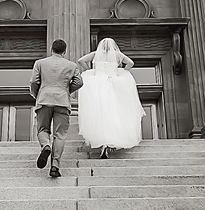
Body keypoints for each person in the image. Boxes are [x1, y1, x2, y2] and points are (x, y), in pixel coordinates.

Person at [77, 37, 145, 159]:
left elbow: (81, 60)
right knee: (114, 112)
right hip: (113, 83)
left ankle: (103, 144)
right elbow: (131, 63)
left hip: (98, 84)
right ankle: (109, 143)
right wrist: (122, 71)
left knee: (100, 113)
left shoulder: (95, 54)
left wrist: (90, 70)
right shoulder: (117, 54)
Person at [30, 39, 83, 178]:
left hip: (44, 99)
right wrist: (66, 90)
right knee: (60, 135)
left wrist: (38, 95)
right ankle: (55, 166)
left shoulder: (40, 63)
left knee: (43, 129)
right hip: (62, 101)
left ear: (51, 49)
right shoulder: (71, 65)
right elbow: (79, 82)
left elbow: (34, 81)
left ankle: (46, 145)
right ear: (64, 51)